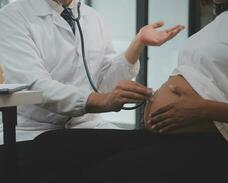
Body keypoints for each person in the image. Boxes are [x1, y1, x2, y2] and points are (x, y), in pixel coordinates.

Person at [1, 0, 228, 183]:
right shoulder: (223, 22)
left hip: (207, 152)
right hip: (161, 139)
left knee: (85, 178)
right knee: (51, 146)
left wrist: (200, 107)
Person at [0, 0, 184, 144]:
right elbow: (35, 86)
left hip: (87, 126)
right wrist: (102, 101)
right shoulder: (11, 17)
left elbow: (103, 84)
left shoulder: (93, 17)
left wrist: (138, 44)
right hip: (33, 131)